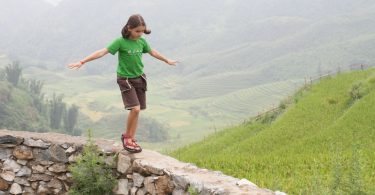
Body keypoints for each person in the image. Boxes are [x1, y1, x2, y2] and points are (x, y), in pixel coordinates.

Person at [67, 14, 177, 153]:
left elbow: (152, 52)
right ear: (129, 28)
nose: (140, 34)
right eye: (137, 31)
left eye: (142, 31)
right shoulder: (120, 42)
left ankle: (132, 138)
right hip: (125, 79)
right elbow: (102, 52)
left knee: (137, 111)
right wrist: (82, 61)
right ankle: (127, 137)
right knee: (135, 108)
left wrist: (167, 60)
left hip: (139, 78)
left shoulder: (141, 42)